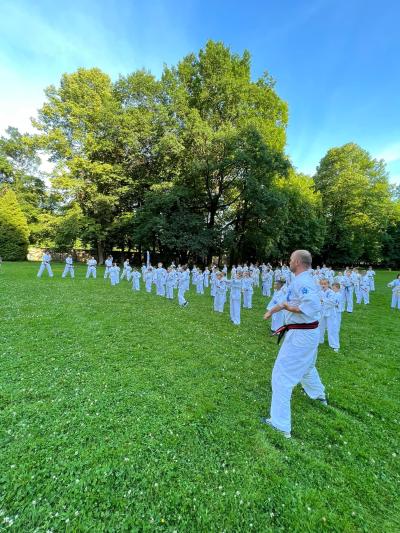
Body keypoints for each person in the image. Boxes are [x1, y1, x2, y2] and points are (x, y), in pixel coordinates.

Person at [262, 250, 327, 439]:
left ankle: (280, 424)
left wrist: (287, 307)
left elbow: (313, 305)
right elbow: (286, 300)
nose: (289, 262)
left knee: (282, 375)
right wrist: (274, 310)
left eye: (291, 259)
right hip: (305, 333)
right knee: (307, 366)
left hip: (301, 334)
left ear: (297, 261)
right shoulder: (300, 280)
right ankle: (318, 394)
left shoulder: (303, 282)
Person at [319, 279, 339, 352]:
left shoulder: (331, 292)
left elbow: (333, 302)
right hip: (322, 312)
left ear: (328, 284)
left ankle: (334, 345)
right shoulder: (320, 292)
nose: (323, 285)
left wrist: (323, 300)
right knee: (320, 327)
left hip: (330, 312)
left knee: (332, 328)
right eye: (322, 284)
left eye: (325, 284)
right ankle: (320, 340)